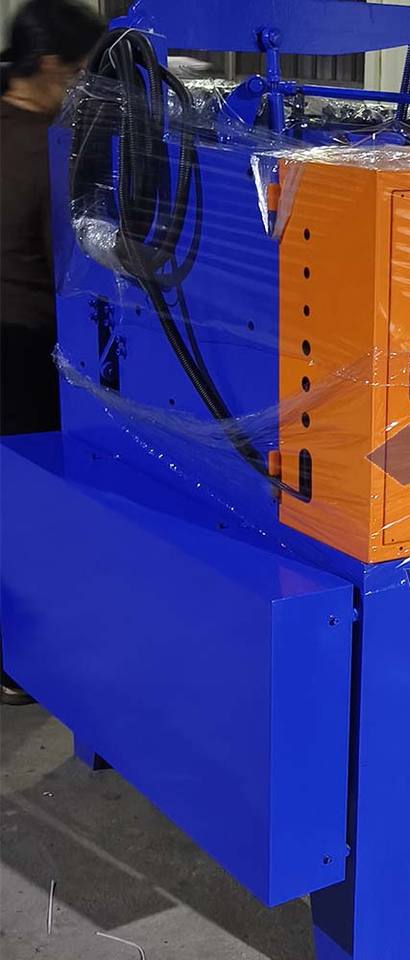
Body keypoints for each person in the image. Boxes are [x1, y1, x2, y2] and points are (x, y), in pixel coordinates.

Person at [0, 0, 105, 704]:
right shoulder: (45, 149)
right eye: (80, 75)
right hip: (24, 344)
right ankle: (20, 663)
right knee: (29, 503)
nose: (84, 91)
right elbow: (70, 264)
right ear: (47, 67)